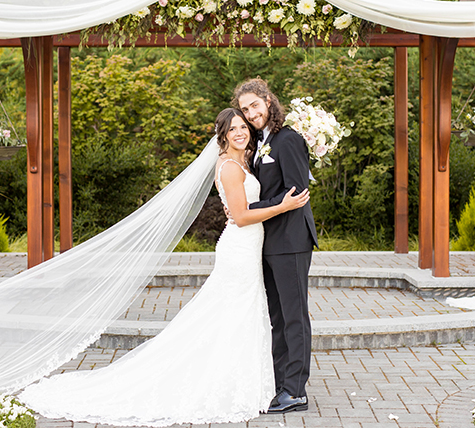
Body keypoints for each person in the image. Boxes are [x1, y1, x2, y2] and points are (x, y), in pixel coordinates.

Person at [17, 108, 309, 426]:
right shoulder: (228, 167)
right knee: (231, 313)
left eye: (243, 126)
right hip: (239, 249)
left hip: (250, 248)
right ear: (222, 135)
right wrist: (282, 206)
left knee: (241, 313)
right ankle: (221, 382)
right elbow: (239, 217)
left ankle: (244, 379)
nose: (240, 131)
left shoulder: (243, 161)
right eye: (233, 128)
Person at [233, 78, 319, 413]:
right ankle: (282, 382)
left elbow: (296, 193)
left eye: (254, 105)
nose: (251, 113)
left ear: (269, 101)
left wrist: (246, 209)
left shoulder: (288, 139)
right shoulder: (260, 143)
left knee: (294, 316)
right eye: (245, 109)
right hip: (268, 242)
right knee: (278, 317)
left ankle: (296, 390)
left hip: (292, 240)